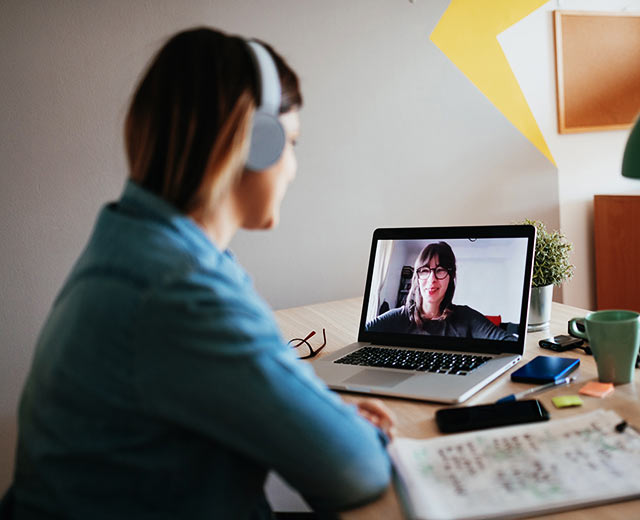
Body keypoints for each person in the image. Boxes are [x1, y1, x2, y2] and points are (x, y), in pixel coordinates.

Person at [1, 27, 394, 519]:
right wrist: (360, 434)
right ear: (255, 143)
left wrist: (323, 418)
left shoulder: (137, 242)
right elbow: (356, 472)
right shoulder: (179, 290)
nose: (292, 168)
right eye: (290, 143)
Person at [366, 241, 513, 340]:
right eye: (424, 271)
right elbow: (362, 337)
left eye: (440, 270)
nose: (432, 279)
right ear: (417, 277)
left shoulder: (466, 317)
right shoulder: (398, 317)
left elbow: (508, 342)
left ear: (451, 276)